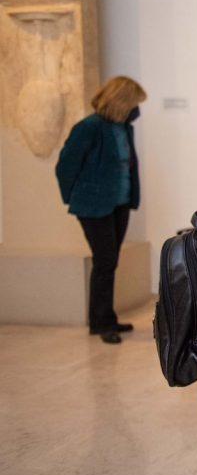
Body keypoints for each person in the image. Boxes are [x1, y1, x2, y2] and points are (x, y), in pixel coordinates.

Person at [55, 76, 146, 344]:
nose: (137, 109)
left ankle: (105, 317)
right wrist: (75, 197)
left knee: (109, 261)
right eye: (134, 103)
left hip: (119, 203)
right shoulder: (89, 127)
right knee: (105, 261)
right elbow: (65, 167)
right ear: (122, 101)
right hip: (94, 206)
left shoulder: (124, 128)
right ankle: (101, 323)